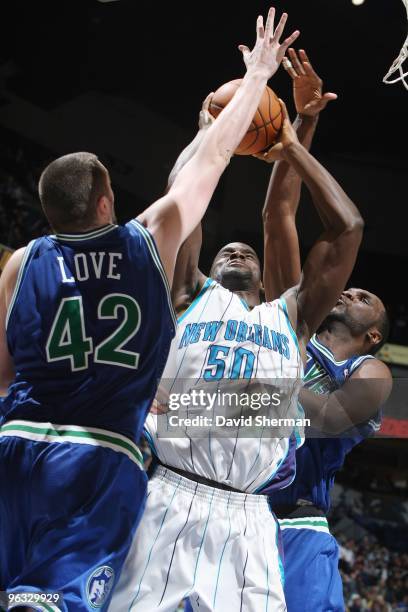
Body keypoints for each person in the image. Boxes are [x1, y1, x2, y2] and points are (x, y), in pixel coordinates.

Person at [0, 7, 300, 610]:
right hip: (99, 455)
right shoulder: (143, 244)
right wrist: (256, 78)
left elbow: (4, 377)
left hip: (18, 443)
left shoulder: (21, 262)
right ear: (108, 199)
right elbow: (204, 169)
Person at [109, 43, 365, 612]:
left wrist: (297, 137)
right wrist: (210, 131)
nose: (236, 251)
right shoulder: (187, 296)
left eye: (245, 250)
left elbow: (343, 228)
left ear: (262, 273)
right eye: (226, 248)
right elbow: (183, 202)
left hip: (251, 518)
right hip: (169, 495)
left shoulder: (292, 315)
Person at [263, 49, 393, 612]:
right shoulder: (294, 325)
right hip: (242, 513)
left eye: (365, 298)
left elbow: (328, 419)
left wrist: (266, 371)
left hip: (300, 529)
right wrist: (301, 123)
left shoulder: (372, 372)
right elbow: (280, 216)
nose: (350, 290)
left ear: (372, 337)